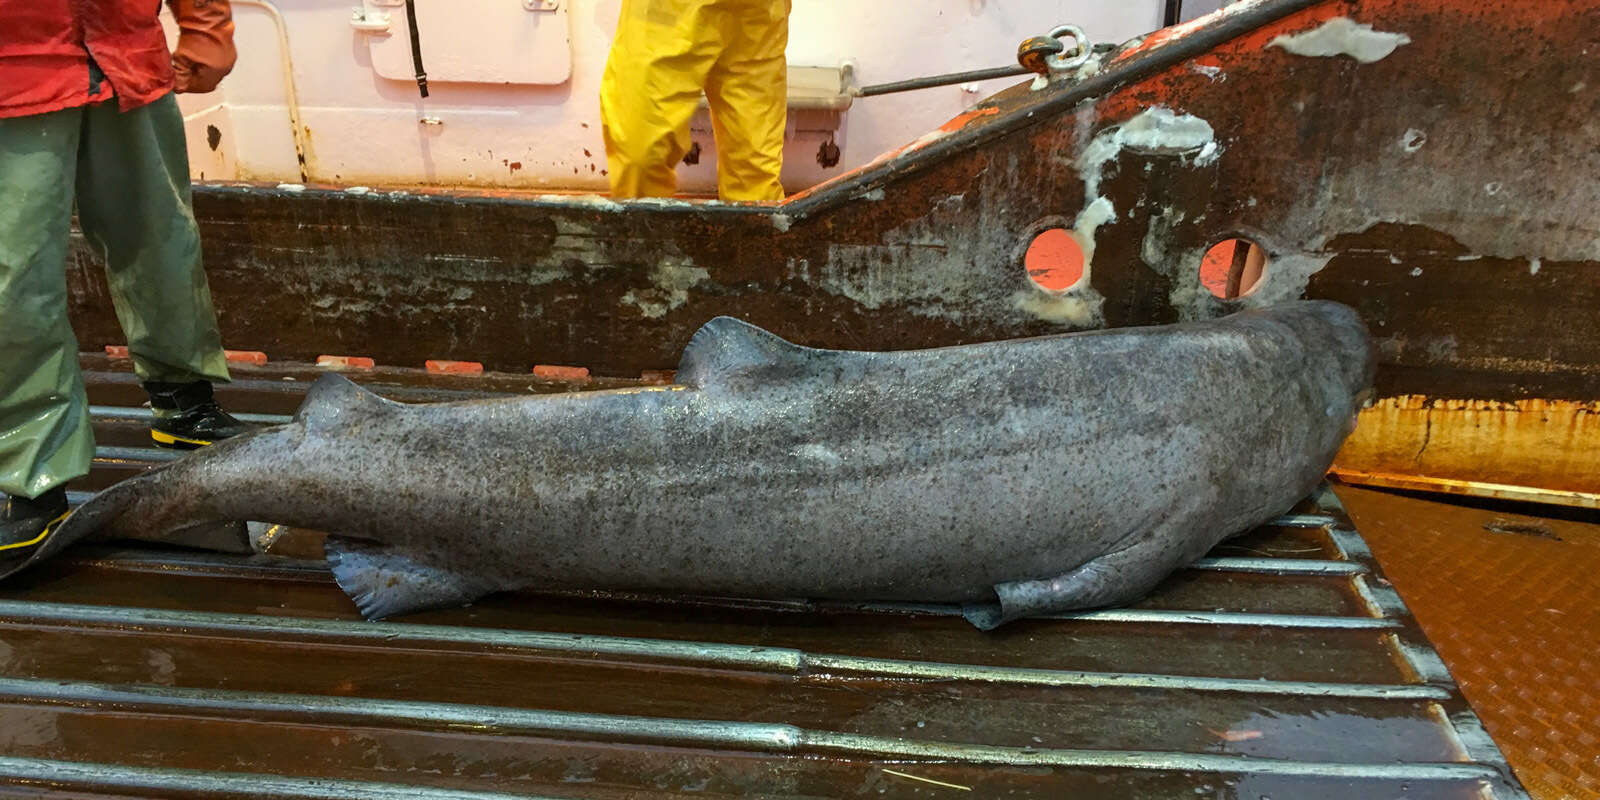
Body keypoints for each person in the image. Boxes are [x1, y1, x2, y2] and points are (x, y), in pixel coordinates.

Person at [1, 0, 254, 548]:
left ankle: (183, 399)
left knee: (162, 242)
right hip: (14, 70)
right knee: (13, 281)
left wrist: (204, 23)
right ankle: (31, 472)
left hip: (128, 56)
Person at [600, 0, 791, 202]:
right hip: (667, 11)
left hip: (758, 14)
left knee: (756, 177)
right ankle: (643, 230)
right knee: (640, 155)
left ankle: (754, 232)